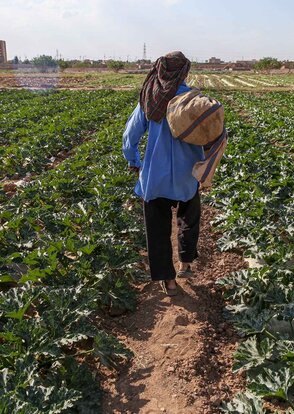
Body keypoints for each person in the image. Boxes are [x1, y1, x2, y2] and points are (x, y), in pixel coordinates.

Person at [122, 51, 203, 297]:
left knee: (157, 229)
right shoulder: (196, 101)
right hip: (188, 175)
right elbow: (214, 135)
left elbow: (129, 138)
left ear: (159, 71)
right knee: (188, 220)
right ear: (185, 72)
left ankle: (168, 281)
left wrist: (135, 162)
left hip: (154, 178)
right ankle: (185, 263)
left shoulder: (150, 101)